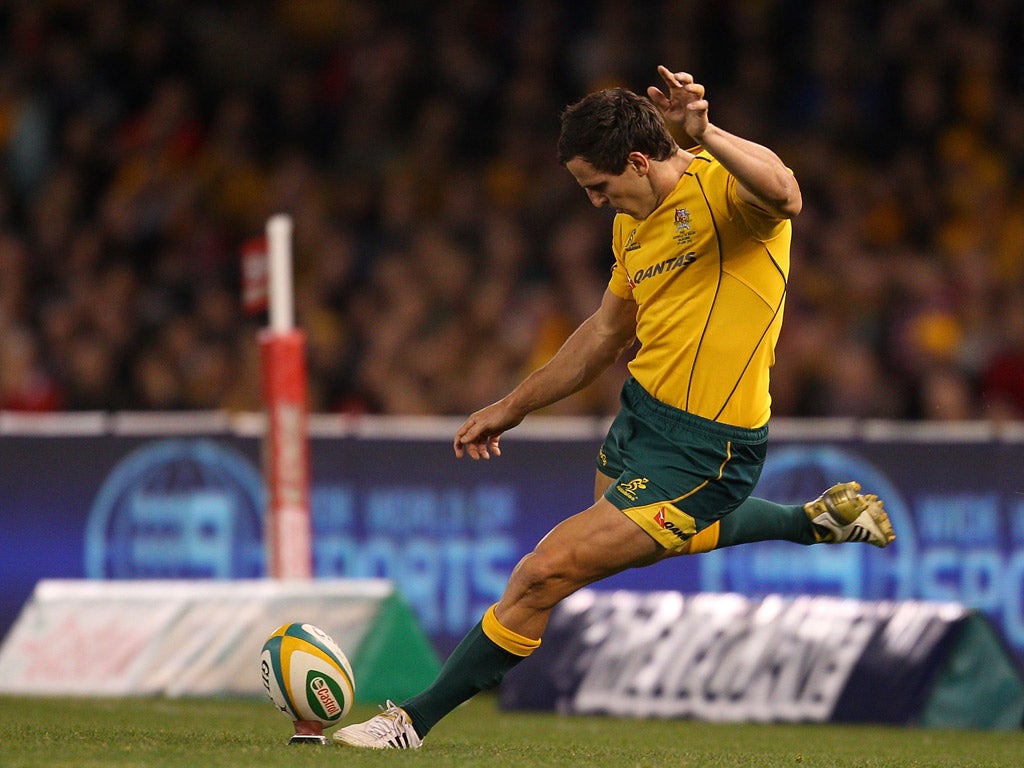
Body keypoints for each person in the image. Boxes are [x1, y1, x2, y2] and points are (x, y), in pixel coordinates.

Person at [334, 65, 895, 750]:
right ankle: (814, 520)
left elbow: (788, 194)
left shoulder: (723, 192)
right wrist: (514, 405)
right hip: (640, 418)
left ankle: (410, 724)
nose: (597, 203)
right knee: (650, 540)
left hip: (710, 448)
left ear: (636, 160)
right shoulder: (632, 228)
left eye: (599, 188)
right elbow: (604, 333)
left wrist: (708, 132)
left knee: (544, 572)